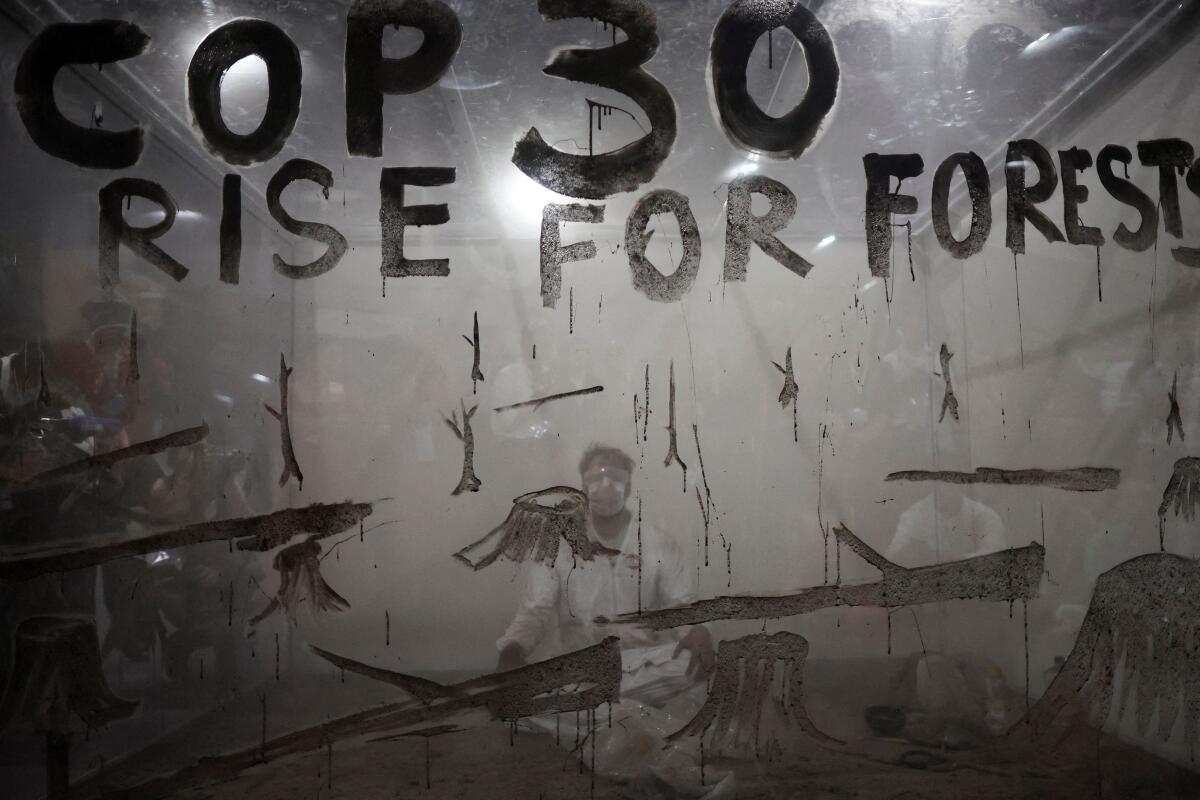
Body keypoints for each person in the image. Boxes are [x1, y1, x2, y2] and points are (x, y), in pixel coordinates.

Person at [494, 444, 717, 782]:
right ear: (582, 486)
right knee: (520, 690)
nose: (605, 485)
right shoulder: (559, 545)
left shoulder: (656, 543)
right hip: (581, 667)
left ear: (628, 486)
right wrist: (512, 650)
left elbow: (683, 604)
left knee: (692, 667)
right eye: (595, 477)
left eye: (615, 477)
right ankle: (617, 716)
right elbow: (535, 610)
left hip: (641, 664)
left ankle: (592, 717)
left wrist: (697, 631)